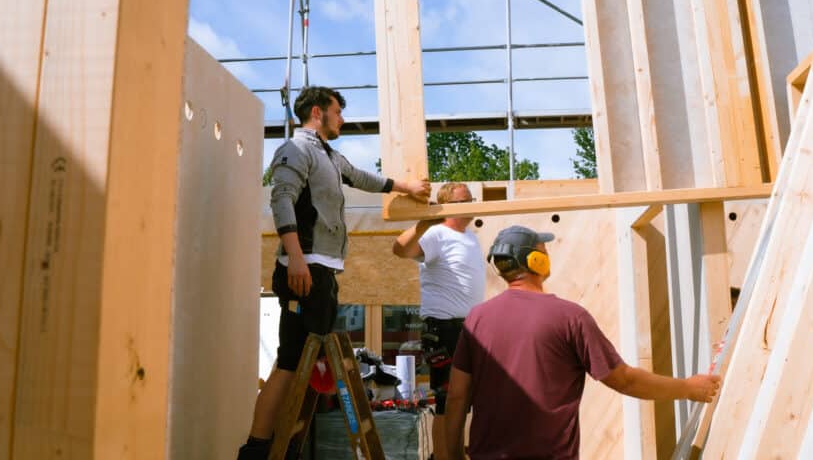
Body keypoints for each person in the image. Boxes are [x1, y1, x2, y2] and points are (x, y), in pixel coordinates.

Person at [238, 86, 430, 460]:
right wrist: (295, 257)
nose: (342, 118)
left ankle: (281, 446)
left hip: (320, 271)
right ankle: (257, 450)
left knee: (297, 364)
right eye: (337, 111)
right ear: (317, 112)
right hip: (304, 269)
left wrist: (404, 186)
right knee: (290, 364)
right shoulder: (296, 149)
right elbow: (281, 199)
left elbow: (360, 177)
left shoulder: (328, 155)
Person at [445, 225, 721, 460]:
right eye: (544, 250)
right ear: (535, 261)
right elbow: (624, 380)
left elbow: (457, 395)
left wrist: (455, 456)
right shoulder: (569, 317)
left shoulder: (476, 318)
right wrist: (688, 388)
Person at [391, 182, 485, 460]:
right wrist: (424, 224)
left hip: (469, 328)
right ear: (447, 207)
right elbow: (400, 250)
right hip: (443, 327)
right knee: (447, 399)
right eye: (465, 200)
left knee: (464, 399)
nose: (472, 204)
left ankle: (453, 454)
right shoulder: (436, 233)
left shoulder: (471, 237)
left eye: (472, 199)